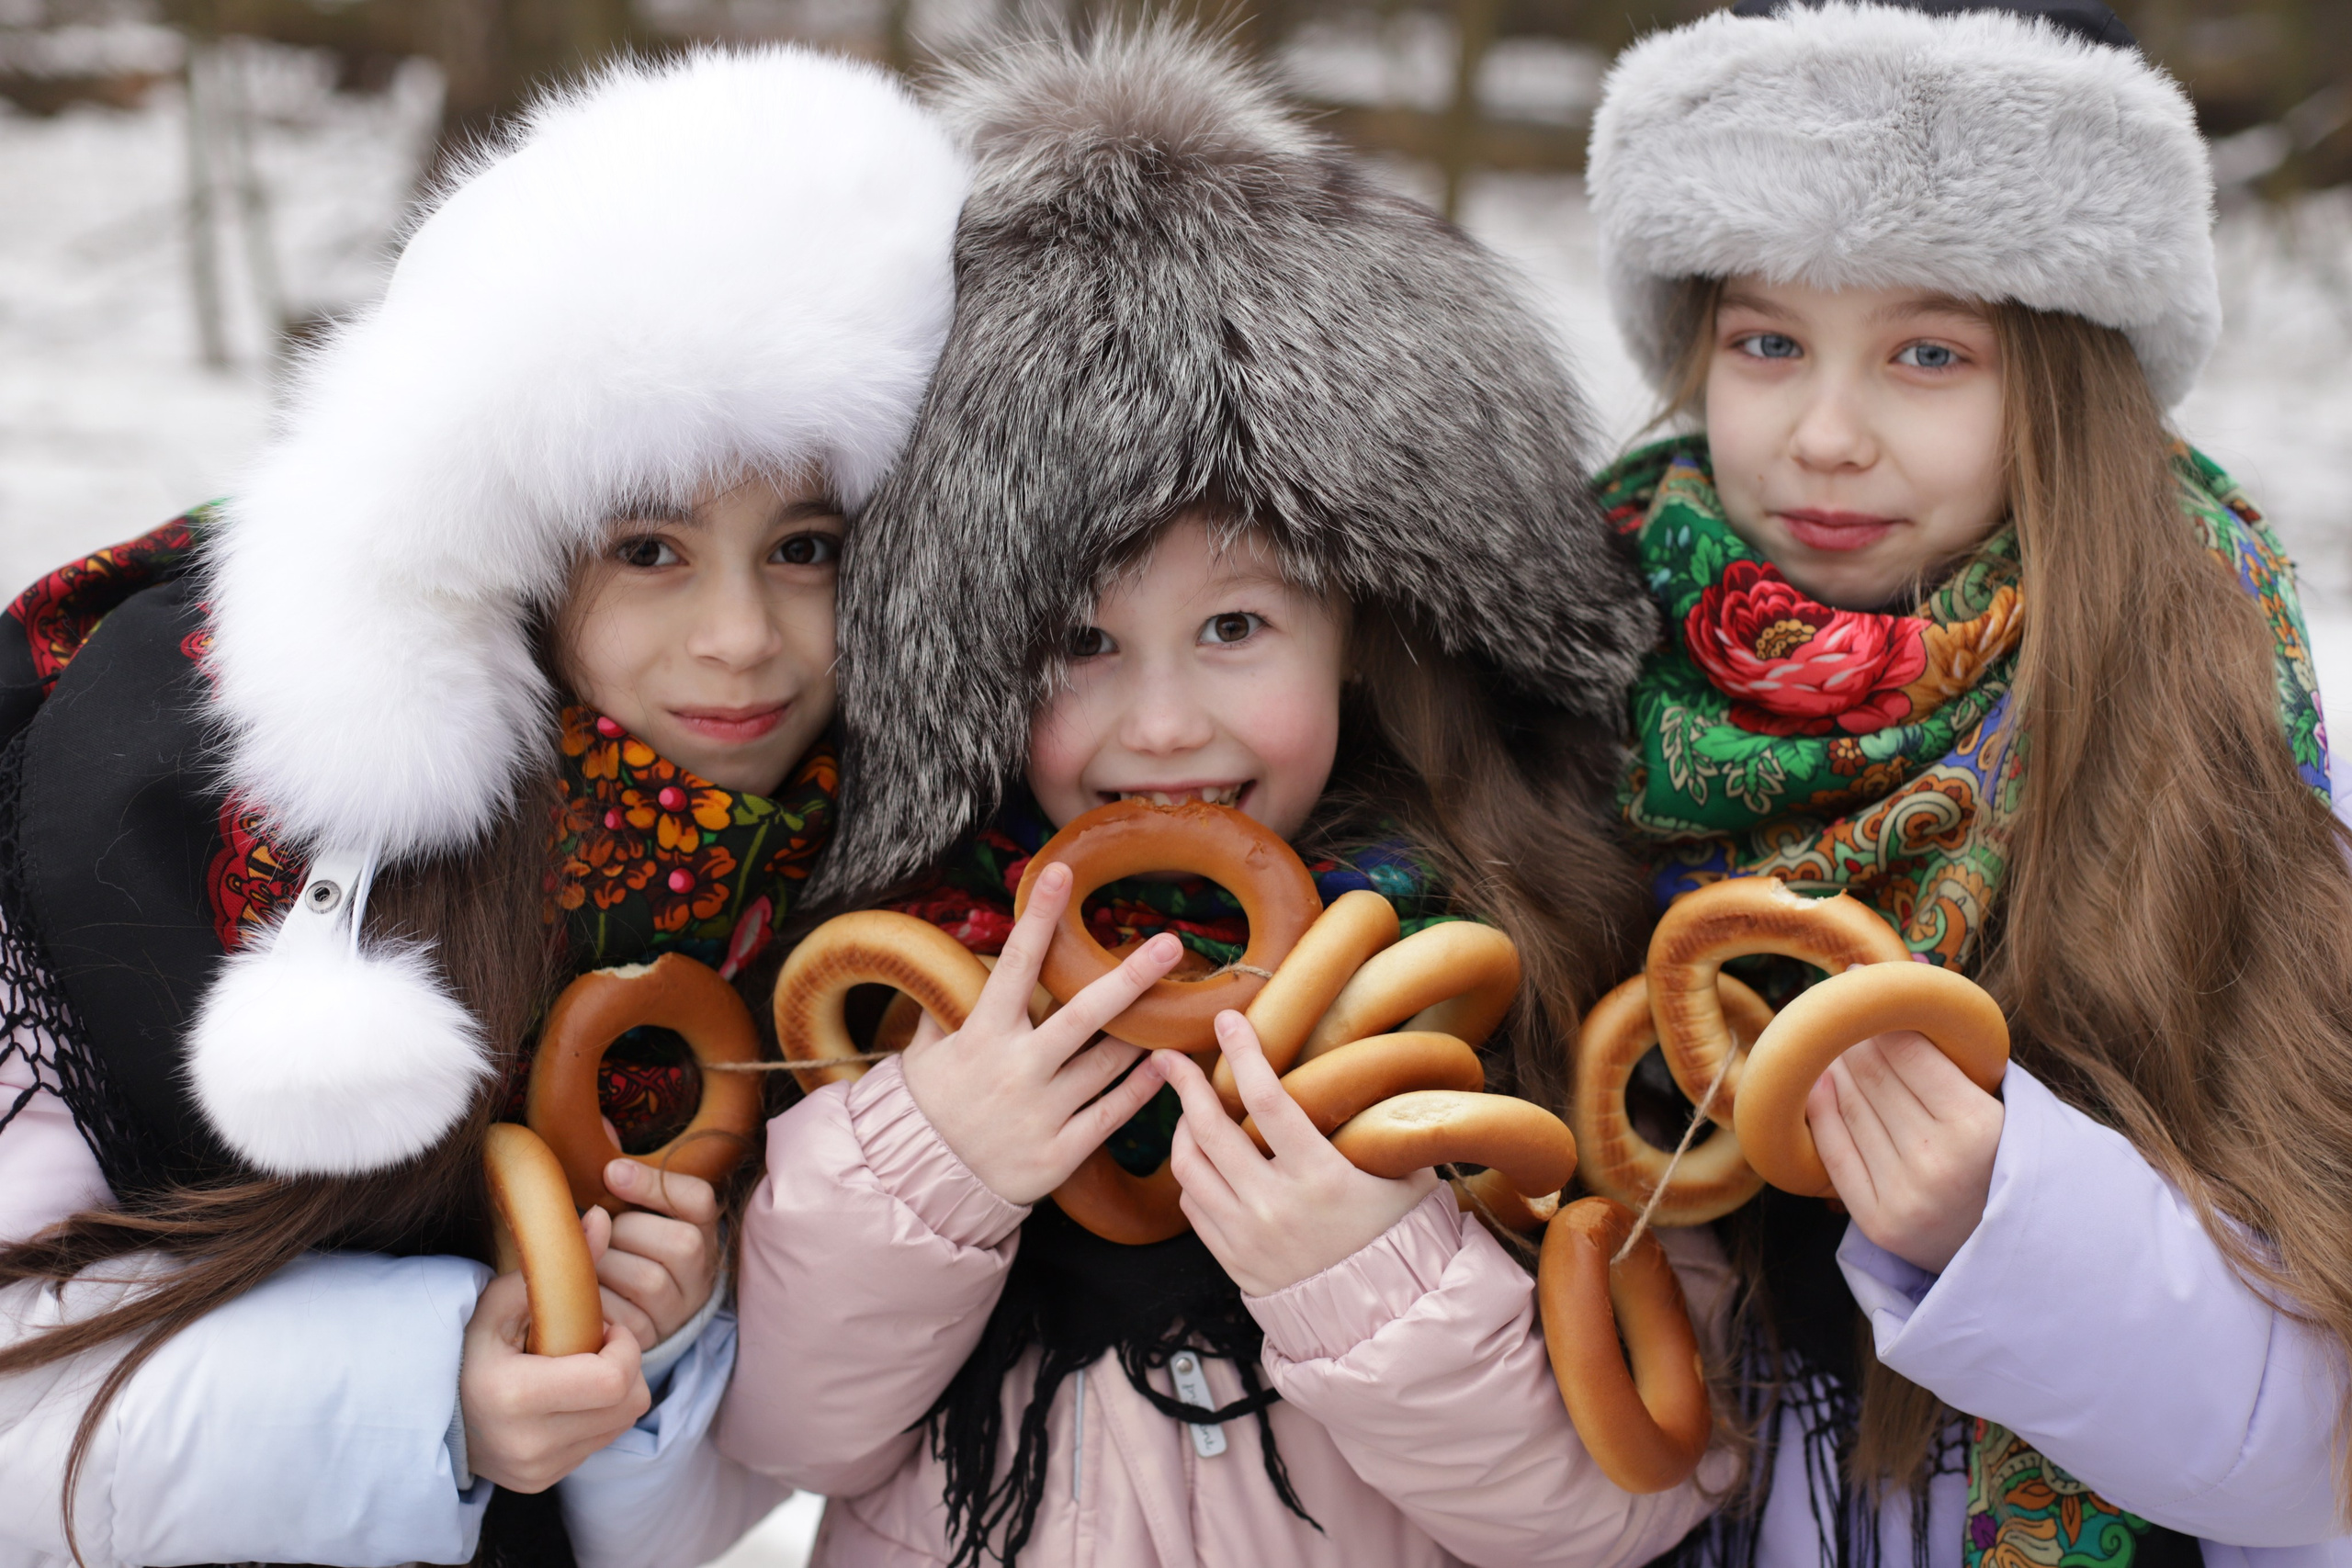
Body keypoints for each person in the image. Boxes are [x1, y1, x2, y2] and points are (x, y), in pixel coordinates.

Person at [714, 25, 1731, 1568]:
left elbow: (1630, 1502)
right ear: (962, 663)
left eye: (1237, 627)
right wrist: (934, 1170)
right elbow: (787, 1440)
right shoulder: (883, 990)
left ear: (1368, 628)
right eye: (1078, 642)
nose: (1165, 723)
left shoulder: (1533, 956)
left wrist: (1362, 1273)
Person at [0, 46, 966, 1568]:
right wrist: (427, 1391)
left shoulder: (852, 912)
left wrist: (650, 1356)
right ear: (504, 540)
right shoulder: (173, 812)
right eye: (649, 547)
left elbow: (688, 1518)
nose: (743, 638)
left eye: (807, 544)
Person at [1583, 3, 2352, 1565]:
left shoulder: (2205, 731)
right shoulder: (1544, 686)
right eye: (1766, 340)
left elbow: (2321, 1465)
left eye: (1929, 352)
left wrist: (2010, 1236)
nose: (1826, 433)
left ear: (2067, 380)